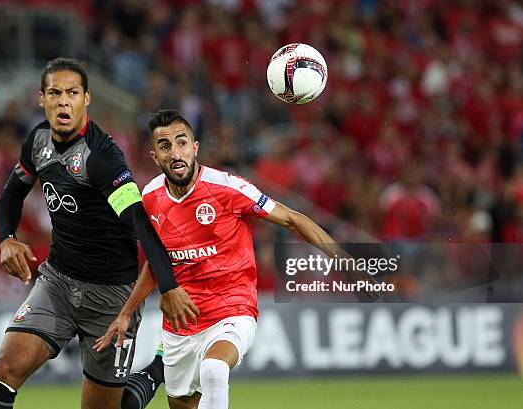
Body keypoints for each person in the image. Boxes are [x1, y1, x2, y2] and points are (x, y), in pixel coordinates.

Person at [95, 109, 377, 409]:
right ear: (155, 156)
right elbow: (157, 261)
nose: (175, 152)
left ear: (195, 147)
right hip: (181, 322)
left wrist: (347, 262)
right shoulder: (150, 198)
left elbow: (293, 219)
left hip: (232, 309)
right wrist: (127, 311)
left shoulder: (228, 188)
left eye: (181, 142)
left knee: (214, 370)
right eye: (165, 146)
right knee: (182, 402)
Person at [0, 60, 199, 409]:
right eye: (55, 93)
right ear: (42, 99)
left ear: (87, 99)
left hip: (111, 298)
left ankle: (157, 369)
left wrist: (168, 286)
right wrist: (6, 237)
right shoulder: (37, 142)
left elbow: (140, 223)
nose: (64, 101)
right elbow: (11, 193)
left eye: (72, 93)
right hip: (57, 284)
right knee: (5, 368)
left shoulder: (102, 158)